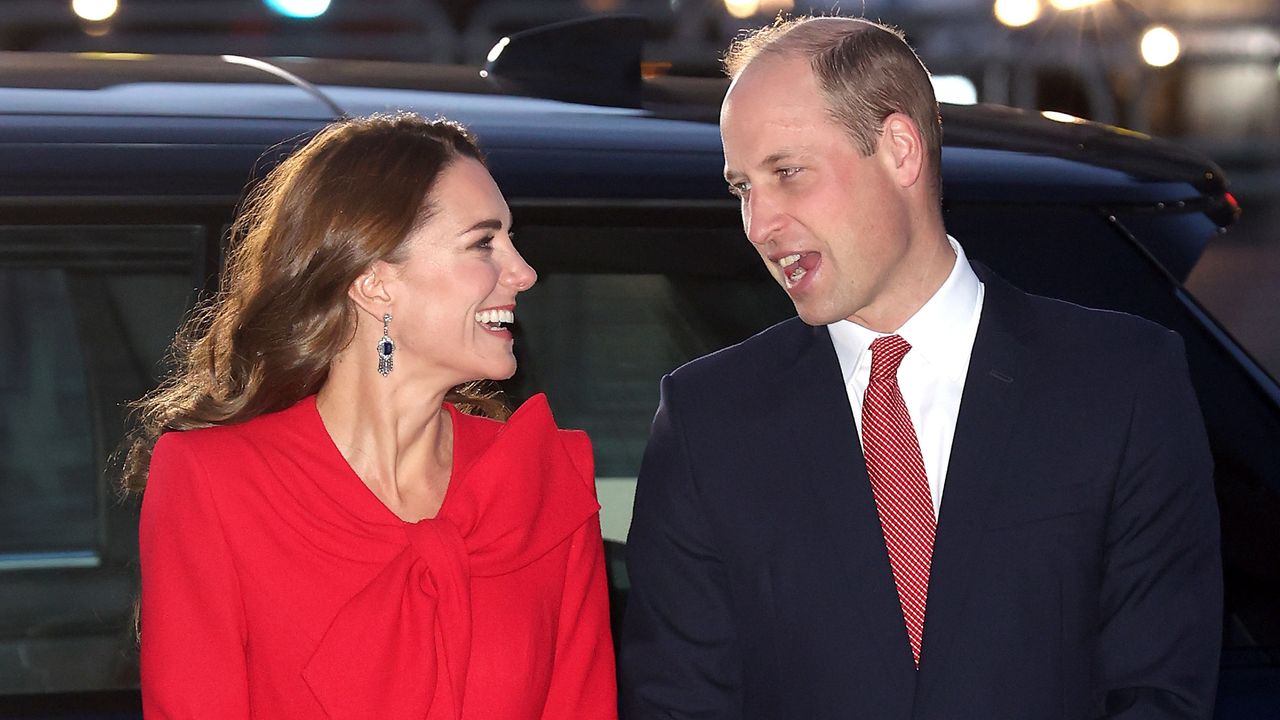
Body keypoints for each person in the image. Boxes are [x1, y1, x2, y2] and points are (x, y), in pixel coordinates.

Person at [621, 16, 1221, 719]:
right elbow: (679, 704)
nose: (759, 224)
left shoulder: (1119, 384)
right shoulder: (708, 420)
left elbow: (1160, 691)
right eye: (742, 188)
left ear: (901, 149)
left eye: (786, 173)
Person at [122, 113, 617, 719]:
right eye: (483, 242)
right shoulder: (215, 483)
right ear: (374, 283)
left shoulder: (542, 479)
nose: (523, 272)